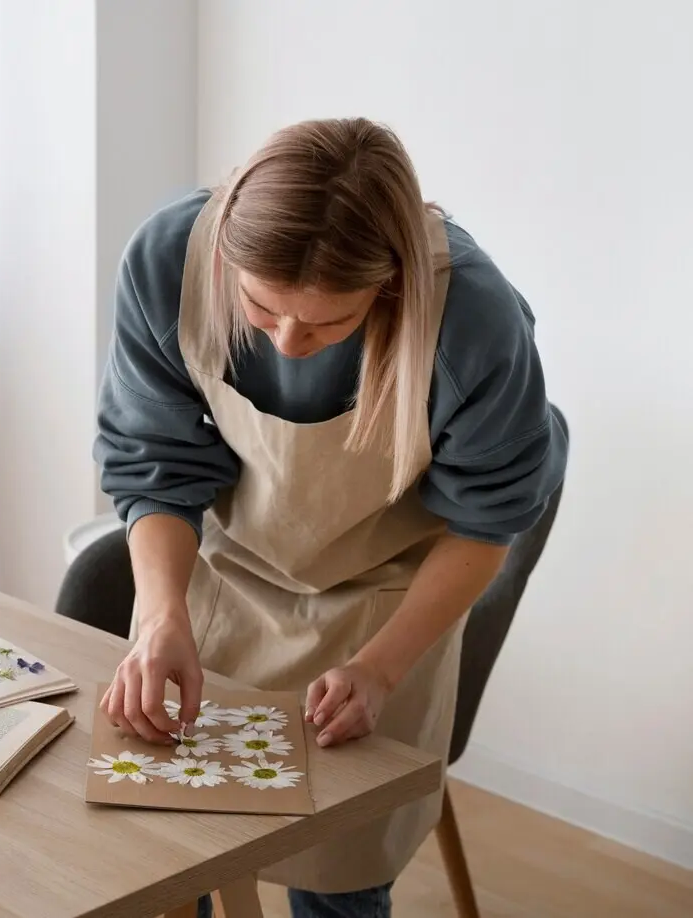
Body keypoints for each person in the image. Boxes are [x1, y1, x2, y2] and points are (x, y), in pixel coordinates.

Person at [93, 118, 568, 917]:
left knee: (340, 876)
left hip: (390, 602)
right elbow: (154, 465)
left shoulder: (473, 319)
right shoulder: (167, 261)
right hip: (227, 579)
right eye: (260, 307)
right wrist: (158, 617)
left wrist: (381, 670)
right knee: (169, 855)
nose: (287, 340)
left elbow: (487, 525)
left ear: (388, 287)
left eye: (326, 324)